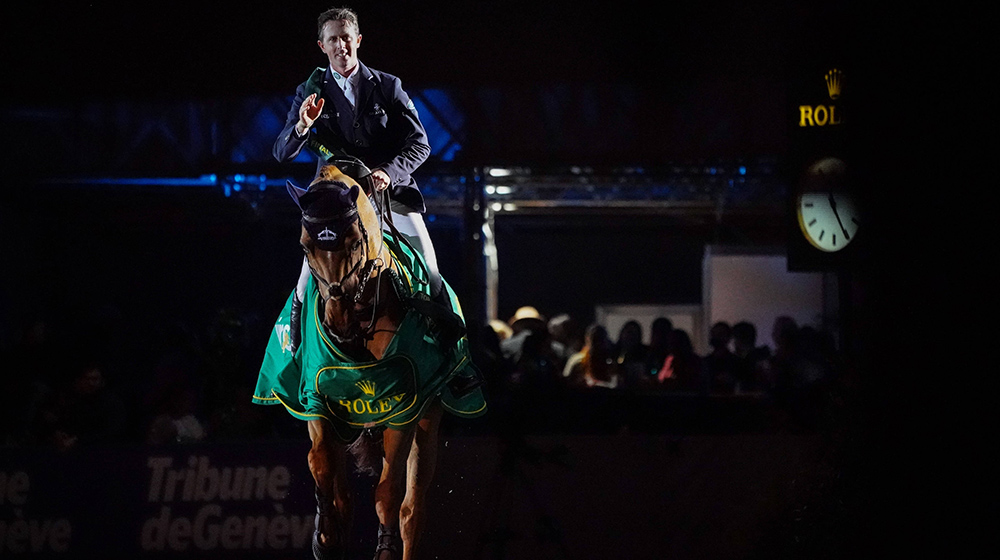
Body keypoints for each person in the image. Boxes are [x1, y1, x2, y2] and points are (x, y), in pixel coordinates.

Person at [275, 7, 438, 355]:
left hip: (388, 196)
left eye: (346, 38)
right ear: (322, 45)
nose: (341, 46)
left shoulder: (388, 85)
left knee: (432, 270)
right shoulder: (309, 89)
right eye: (333, 39)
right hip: (337, 205)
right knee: (307, 281)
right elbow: (281, 152)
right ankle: (294, 345)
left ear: (358, 40)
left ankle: (447, 350)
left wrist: (389, 172)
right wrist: (303, 126)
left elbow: (420, 143)